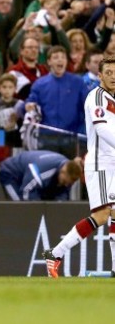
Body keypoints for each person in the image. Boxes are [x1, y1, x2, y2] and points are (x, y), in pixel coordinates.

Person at [44, 56, 115, 278]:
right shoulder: (96, 97)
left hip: (113, 160)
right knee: (103, 215)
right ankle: (55, 253)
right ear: (100, 75)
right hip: (100, 162)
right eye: (109, 73)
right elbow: (102, 130)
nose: (113, 76)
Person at [0, 150, 82, 201]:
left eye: (69, 184)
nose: (66, 185)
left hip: (29, 177)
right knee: (18, 206)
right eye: (64, 181)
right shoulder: (44, 171)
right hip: (11, 174)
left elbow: (61, 197)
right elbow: (27, 192)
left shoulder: (68, 170)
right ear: (63, 171)